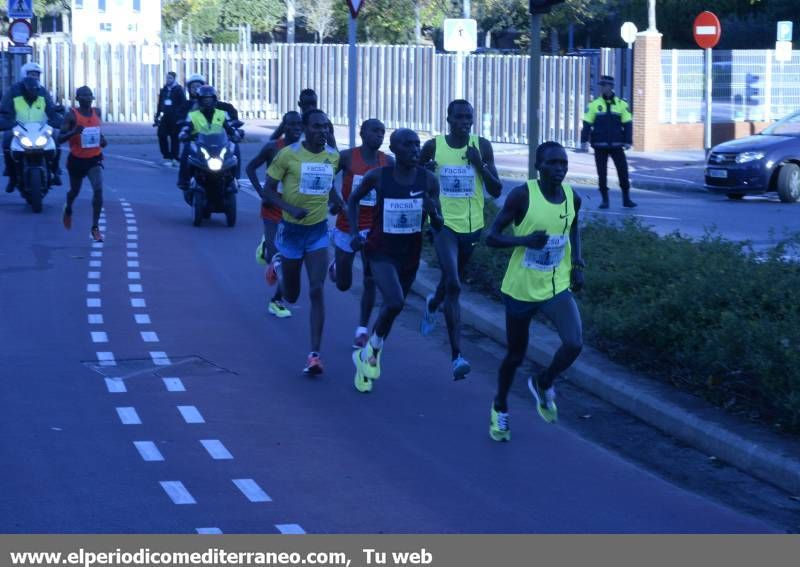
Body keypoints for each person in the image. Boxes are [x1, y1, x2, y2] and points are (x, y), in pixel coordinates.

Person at [485, 141, 585, 440]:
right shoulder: (522, 195)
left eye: (563, 163)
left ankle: (543, 382)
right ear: (538, 167)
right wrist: (524, 241)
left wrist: (577, 261)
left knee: (574, 343)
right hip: (521, 289)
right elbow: (490, 237)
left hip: (556, 285)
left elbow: (574, 226)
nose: (559, 169)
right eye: (553, 163)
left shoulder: (572, 197)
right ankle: (500, 407)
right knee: (516, 355)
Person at [348, 129, 442, 393]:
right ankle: (373, 351)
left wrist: (433, 211)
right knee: (394, 300)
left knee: (392, 310)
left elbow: (439, 223)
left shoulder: (428, 181)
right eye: (407, 145)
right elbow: (353, 201)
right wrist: (355, 233)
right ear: (394, 149)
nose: (414, 149)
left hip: (409, 255)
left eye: (417, 144)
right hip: (379, 250)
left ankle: (366, 358)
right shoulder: (378, 176)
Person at [419, 99, 502, 379]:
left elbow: (496, 189)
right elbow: (416, 179)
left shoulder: (482, 146)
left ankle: (433, 302)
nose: (465, 121)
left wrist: (480, 165)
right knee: (454, 284)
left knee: (449, 282)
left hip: (473, 227)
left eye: (469, 117)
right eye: (459, 117)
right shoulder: (434, 146)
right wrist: (425, 170)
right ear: (448, 119)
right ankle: (457, 357)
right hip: (443, 225)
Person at [261, 109, 339, 375]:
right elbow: (268, 190)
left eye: (326, 127)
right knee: (292, 295)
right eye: (317, 127)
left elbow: (329, 185)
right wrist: (289, 209)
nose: (323, 131)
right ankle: (278, 265)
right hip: (291, 232)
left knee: (317, 289)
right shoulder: (288, 154)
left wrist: (336, 202)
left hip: (317, 232)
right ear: (305, 128)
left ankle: (314, 355)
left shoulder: (332, 156)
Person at [331, 119, 392, 348]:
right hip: (348, 225)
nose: (379, 135)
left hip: (373, 228)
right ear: (362, 133)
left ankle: (362, 328)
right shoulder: (347, 157)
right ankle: (337, 266)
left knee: (370, 279)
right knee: (343, 285)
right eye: (374, 131)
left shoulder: (387, 162)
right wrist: (338, 202)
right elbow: (326, 180)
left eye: (382, 132)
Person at [246, 110, 303, 319]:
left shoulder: (307, 150)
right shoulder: (272, 147)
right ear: (284, 127)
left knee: (292, 258)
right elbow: (250, 168)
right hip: (272, 206)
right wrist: (262, 193)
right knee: (274, 255)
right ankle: (268, 247)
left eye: (300, 125)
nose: (297, 129)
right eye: (292, 125)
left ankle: (276, 301)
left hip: (295, 208)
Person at [0, 62, 63, 193]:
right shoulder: (13, 90)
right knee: (6, 140)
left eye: (37, 75)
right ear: (24, 74)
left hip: (40, 129)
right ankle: (12, 176)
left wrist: (59, 119)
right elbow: (5, 110)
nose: (34, 77)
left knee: (57, 138)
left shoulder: (43, 91)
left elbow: (51, 110)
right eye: (31, 74)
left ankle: (55, 170)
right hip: (18, 128)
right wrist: (6, 122)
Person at [59, 86, 108, 243]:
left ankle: (95, 228)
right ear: (78, 98)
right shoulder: (71, 115)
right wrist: (73, 132)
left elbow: (97, 132)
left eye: (90, 95)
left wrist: (102, 140)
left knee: (98, 191)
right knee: (75, 191)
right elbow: (59, 138)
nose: (87, 98)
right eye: (84, 95)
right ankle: (68, 208)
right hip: (77, 160)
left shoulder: (97, 112)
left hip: (94, 159)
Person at [580, 75, 636, 209]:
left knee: (623, 171)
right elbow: (586, 124)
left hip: (617, 144)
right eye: (601, 86)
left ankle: (626, 199)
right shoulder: (594, 105)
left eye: (604, 86)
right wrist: (583, 141)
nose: (602, 88)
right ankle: (605, 200)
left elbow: (628, 124)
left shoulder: (622, 104)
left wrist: (628, 141)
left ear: (611, 87)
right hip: (600, 145)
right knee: (602, 173)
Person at [176, 86, 240, 191]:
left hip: (219, 144)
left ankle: (235, 178)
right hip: (199, 143)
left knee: (234, 146)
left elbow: (228, 127)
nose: (207, 102)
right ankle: (184, 180)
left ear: (214, 100)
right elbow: (187, 125)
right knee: (187, 147)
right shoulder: (193, 115)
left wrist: (235, 133)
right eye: (204, 99)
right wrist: (184, 132)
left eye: (210, 99)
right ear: (200, 100)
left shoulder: (221, 113)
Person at [270, 89, 336, 148]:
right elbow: (272, 140)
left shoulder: (324, 122)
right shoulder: (293, 121)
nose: (310, 107)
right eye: (306, 104)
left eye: (313, 104)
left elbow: (333, 148)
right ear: (299, 104)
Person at [154, 71, 185, 167]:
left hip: (175, 117)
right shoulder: (164, 90)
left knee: (174, 137)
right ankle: (167, 155)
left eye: (170, 78)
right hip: (165, 116)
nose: (168, 80)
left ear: (174, 79)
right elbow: (160, 103)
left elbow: (183, 104)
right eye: (167, 78)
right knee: (161, 134)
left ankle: (174, 157)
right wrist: (157, 115)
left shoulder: (179, 89)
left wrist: (181, 116)